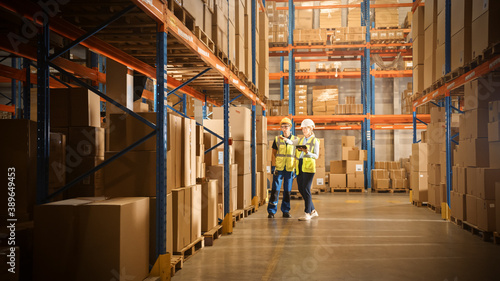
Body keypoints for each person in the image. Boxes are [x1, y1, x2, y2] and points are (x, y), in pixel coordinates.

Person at [279, 119, 319, 221]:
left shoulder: (315, 141)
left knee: (306, 188)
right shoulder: (300, 140)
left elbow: (316, 156)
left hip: (309, 167)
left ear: (311, 129)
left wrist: (307, 152)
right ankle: (313, 210)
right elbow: (292, 142)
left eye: (306, 128)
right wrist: (285, 139)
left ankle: (307, 213)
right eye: (303, 128)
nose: (304, 130)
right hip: (300, 166)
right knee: (301, 189)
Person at [267, 117, 297, 218]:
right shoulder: (277, 139)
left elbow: (297, 155)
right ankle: (271, 211)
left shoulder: (295, 140)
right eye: (283, 127)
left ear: (290, 127)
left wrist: (295, 169)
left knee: (287, 191)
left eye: (286, 126)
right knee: (275, 190)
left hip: (289, 169)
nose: (284, 129)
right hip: (279, 169)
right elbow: (273, 154)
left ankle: (285, 211)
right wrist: (273, 166)